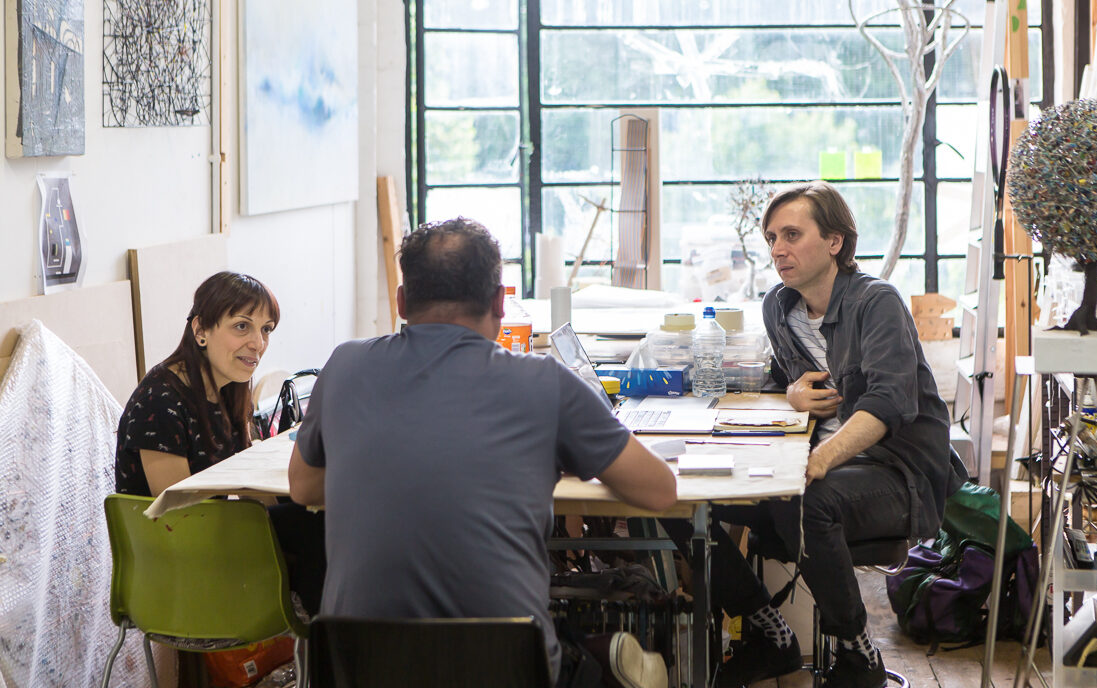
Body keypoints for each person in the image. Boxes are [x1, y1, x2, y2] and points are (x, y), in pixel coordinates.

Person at [287, 217, 677, 683]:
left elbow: (302, 487)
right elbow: (660, 491)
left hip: (357, 664)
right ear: (499, 301)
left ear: (402, 302)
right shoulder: (544, 382)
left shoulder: (344, 366)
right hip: (504, 665)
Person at [664, 181, 966, 688]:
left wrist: (819, 459)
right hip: (814, 461)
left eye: (791, 234)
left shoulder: (877, 303)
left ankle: (857, 654)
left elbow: (889, 403)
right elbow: (785, 381)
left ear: (834, 242)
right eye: (771, 238)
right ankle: (768, 632)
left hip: (897, 473)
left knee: (804, 500)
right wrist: (790, 397)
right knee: (674, 497)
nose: (777, 249)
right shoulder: (779, 307)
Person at [114, 270, 325, 616]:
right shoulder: (159, 400)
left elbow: (251, 485)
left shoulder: (228, 386)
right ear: (200, 331)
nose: (258, 343)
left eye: (266, 329)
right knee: (316, 533)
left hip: (213, 536)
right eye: (242, 326)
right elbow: (177, 513)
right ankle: (332, 654)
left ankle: (331, 650)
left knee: (322, 519)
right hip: (177, 558)